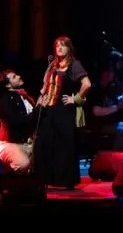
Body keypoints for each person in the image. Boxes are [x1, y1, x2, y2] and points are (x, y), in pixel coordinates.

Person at [34, 36, 91, 189]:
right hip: (48, 110)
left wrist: (76, 98)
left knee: (65, 145)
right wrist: (39, 104)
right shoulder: (52, 65)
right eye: (57, 45)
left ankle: (67, 181)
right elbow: (44, 87)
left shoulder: (74, 64)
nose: (59, 48)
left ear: (69, 48)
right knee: (46, 144)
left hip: (64, 110)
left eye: (63, 45)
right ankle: (45, 180)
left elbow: (87, 84)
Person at [0, 69, 38, 174]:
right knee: (24, 164)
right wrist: (38, 109)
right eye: (14, 77)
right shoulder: (6, 101)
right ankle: (10, 172)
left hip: (25, 141)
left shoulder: (23, 96)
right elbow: (18, 122)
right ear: (8, 85)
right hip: (9, 143)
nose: (19, 76)